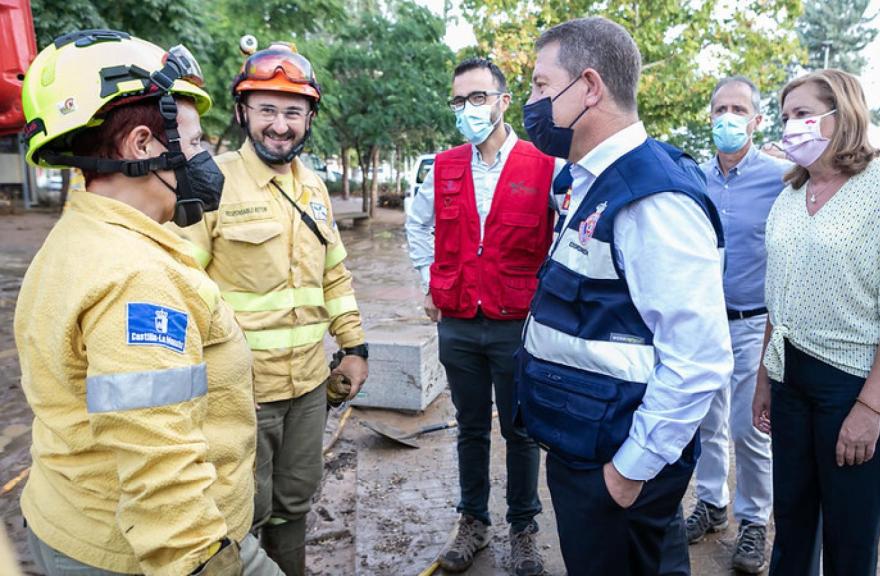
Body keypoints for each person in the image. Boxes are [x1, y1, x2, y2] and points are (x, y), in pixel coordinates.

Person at [16, 29, 280, 575]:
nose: (207, 157)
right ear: (141, 145)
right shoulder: (135, 276)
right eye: (196, 140)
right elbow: (158, 457)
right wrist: (205, 561)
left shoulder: (82, 237)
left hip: (74, 520)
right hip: (147, 551)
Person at [517, 17, 732, 575]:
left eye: (542, 86)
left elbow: (699, 358)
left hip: (616, 465)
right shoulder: (587, 179)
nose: (531, 102)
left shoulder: (652, 198)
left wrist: (629, 472)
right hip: (587, 444)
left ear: (589, 87)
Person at [171, 41, 368, 575]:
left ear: (308, 119)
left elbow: (334, 275)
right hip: (240, 396)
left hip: (308, 388)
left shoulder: (316, 190)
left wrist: (354, 346)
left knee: (294, 505)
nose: (280, 125)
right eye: (267, 110)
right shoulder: (210, 184)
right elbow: (179, 287)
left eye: (292, 112)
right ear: (243, 113)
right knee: (241, 513)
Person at [752, 69, 880, 575]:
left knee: (850, 537)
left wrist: (870, 408)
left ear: (842, 115)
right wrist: (764, 380)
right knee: (792, 528)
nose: (790, 125)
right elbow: (780, 297)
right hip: (790, 379)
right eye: (785, 116)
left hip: (854, 386)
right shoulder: (790, 197)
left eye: (802, 113)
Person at [405, 57, 560, 576]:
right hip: (459, 320)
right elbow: (417, 225)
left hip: (517, 321)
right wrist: (429, 283)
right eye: (459, 101)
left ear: (501, 101)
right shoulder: (445, 165)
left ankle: (523, 529)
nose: (467, 110)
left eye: (477, 98)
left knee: (521, 430)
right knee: (470, 426)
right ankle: (473, 520)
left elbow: (562, 238)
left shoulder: (544, 165)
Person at [679, 76, 790, 574]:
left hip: (753, 323)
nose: (727, 117)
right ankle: (711, 504)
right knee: (706, 420)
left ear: (757, 120)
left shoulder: (782, 177)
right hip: (703, 322)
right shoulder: (692, 178)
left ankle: (752, 521)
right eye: (720, 108)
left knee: (750, 427)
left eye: (738, 108)